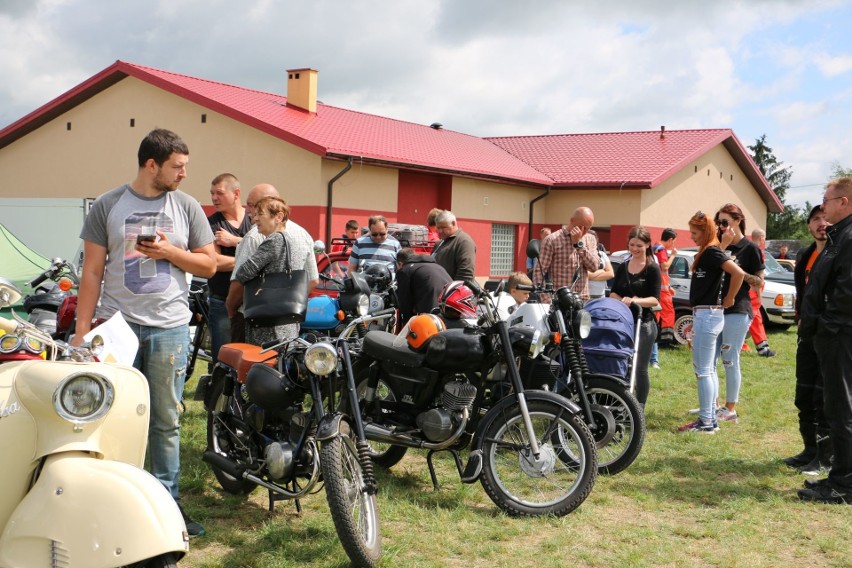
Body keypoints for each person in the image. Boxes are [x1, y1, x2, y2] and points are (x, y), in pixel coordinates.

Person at [73, 128, 217, 535]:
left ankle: (167, 505)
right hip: (117, 328)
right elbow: (93, 271)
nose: (184, 174)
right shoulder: (108, 204)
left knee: (166, 419)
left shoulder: (187, 206)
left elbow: (208, 266)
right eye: (178, 166)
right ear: (151, 164)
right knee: (110, 416)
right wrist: (83, 331)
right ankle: (114, 503)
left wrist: (171, 252)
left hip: (170, 328)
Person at [798, 177, 852, 504]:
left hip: (840, 337)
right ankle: (840, 477)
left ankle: (844, 484)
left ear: (843, 201)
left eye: (827, 200)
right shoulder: (838, 236)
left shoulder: (848, 237)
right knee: (835, 406)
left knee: (840, 407)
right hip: (832, 335)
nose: (823, 206)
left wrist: (824, 327)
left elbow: (847, 292)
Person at [678, 211, 744, 434]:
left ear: (705, 231)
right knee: (708, 369)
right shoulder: (710, 252)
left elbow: (738, 274)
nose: (692, 237)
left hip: (708, 314)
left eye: (694, 233)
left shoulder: (711, 252)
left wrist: (730, 298)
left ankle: (706, 421)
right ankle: (710, 417)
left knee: (704, 370)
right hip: (706, 314)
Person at [225, 184, 317, 343]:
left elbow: (243, 273)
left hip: (264, 319)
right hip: (289, 319)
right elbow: (313, 280)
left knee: (256, 364)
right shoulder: (302, 235)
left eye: (259, 212)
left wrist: (231, 309)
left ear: (278, 216)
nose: (254, 218)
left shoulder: (270, 239)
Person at [783, 206, 832, 474]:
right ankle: (810, 451)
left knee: (824, 397)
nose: (822, 223)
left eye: (825, 218)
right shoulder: (806, 255)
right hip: (807, 333)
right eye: (816, 219)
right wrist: (800, 317)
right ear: (808, 226)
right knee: (804, 393)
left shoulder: (839, 253)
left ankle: (826, 457)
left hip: (831, 335)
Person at [711, 204, 765, 424]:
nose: (721, 226)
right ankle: (711, 405)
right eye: (719, 222)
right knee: (709, 360)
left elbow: (760, 281)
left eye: (725, 222)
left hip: (738, 309)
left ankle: (730, 408)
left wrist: (740, 272)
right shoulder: (717, 244)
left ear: (737, 220)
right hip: (714, 309)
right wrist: (721, 249)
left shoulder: (750, 249)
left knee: (729, 359)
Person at [608, 226, 661, 408]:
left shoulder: (652, 268)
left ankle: (640, 407)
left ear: (647, 245)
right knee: (623, 365)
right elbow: (613, 292)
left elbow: (655, 299)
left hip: (644, 324)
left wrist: (636, 301)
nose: (635, 249)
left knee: (639, 369)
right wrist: (621, 300)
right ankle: (623, 404)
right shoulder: (623, 266)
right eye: (632, 245)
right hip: (623, 323)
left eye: (639, 245)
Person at [207, 173, 251, 364]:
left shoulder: (254, 220)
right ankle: (219, 393)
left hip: (252, 301)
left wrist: (235, 242)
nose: (214, 198)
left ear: (236, 193)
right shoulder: (211, 223)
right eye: (212, 194)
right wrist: (250, 261)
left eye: (219, 193)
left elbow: (268, 249)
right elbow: (214, 261)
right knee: (223, 358)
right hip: (222, 301)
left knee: (250, 355)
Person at [533, 207, 600, 301]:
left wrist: (579, 245)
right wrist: (545, 299)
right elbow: (539, 271)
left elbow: (594, 267)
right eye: (581, 227)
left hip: (582, 299)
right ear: (571, 220)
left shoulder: (590, 239)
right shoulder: (552, 240)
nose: (583, 231)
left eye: (587, 228)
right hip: (560, 300)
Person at [395, 247, 452, 324]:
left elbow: (405, 300)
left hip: (430, 310)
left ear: (400, 263)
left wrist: (406, 322)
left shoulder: (405, 270)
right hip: (449, 306)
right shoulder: (438, 266)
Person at [746, 228, 776, 357]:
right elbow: (758, 275)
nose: (764, 240)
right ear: (761, 238)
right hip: (753, 290)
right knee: (752, 319)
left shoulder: (747, 249)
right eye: (764, 237)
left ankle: (760, 346)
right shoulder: (757, 251)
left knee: (751, 319)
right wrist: (759, 294)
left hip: (749, 290)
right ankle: (762, 348)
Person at [431, 210, 477, 282]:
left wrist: (452, 290)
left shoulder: (464, 242)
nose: (440, 231)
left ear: (453, 223)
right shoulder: (439, 243)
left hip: (452, 291)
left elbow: (465, 274)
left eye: (443, 227)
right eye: (438, 228)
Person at [653, 228, 678, 346]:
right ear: (670, 239)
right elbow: (665, 267)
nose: (673, 244)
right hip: (662, 291)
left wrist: (669, 286)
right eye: (674, 242)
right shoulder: (661, 249)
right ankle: (666, 341)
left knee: (657, 313)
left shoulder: (655, 247)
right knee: (668, 313)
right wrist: (673, 256)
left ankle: (656, 338)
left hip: (659, 287)